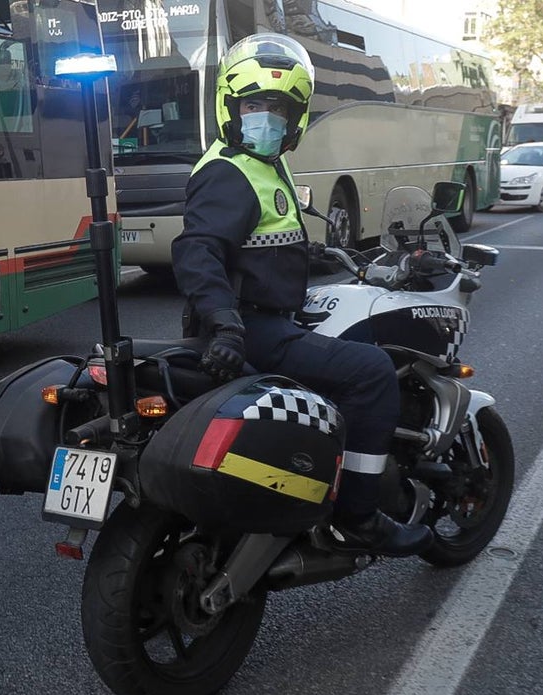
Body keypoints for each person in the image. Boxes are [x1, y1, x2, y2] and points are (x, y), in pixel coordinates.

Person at [170, 34, 433, 556]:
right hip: (252, 328)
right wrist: (226, 324)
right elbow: (196, 251)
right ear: (231, 107)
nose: (265, 116)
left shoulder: (266, 164)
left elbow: (262, 243)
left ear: (296, 119)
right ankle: (357, 516)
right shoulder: (230, 172)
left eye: (278, 107)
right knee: (373, 371)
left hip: (259, 317)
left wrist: (326, 258)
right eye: (253, 105)